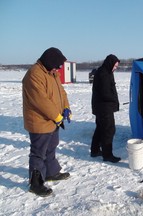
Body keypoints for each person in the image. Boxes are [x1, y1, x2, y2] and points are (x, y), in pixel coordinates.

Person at [22, 47, 72, 197]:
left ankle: (51, 172)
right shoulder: (34, 74)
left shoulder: (52, 73)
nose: (59, 68)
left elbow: (61, 92)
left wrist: (66, 107)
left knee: (51, 147)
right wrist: (56, 116)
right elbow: (41, 101)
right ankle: (35, 183)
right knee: (38, 152)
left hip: (53, 119)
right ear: (50, 61)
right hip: (40, 121)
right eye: (58, 64)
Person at [91, 54, 121, 163]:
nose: (115, 68)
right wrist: (114, 100)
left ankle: (94, 151)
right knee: (109, 130)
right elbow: (105, 93)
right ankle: (107, 155)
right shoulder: (104, 74)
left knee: (100, 128)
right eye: (115, 66)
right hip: (104, 107)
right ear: (110, 63)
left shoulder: (106, 72)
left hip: (101, 106)